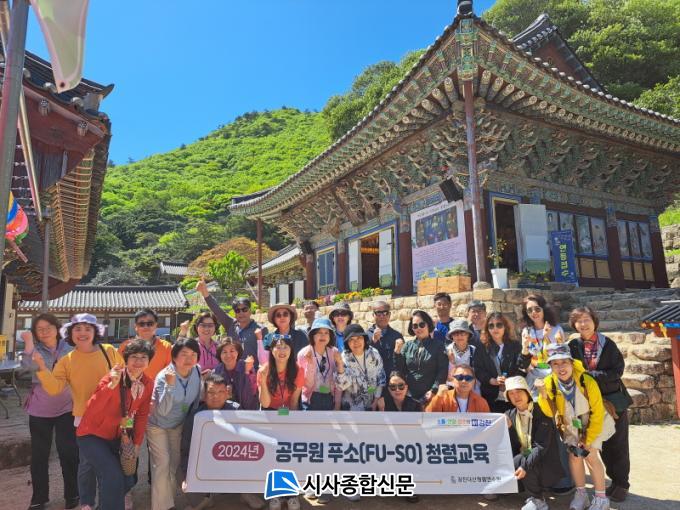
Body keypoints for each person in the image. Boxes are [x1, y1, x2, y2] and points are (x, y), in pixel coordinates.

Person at [34, 314, 123, 510]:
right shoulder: (67, 360)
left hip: (111, 416)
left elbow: (124, 376)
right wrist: (41, 367)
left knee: (109, 461)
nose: (82, 333)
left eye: (87, 329)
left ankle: (107, 502)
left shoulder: (109, 351)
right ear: (70, 333)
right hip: (84, 419)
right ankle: (87, 503)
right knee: (87, 464)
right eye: (77, 329)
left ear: (95, 332)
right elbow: (55, 388)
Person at [76, 339, 155, 510]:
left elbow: (142, 415)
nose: (139, 361)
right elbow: (92, 409)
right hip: (92, 435)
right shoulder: (113, 377)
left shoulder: (147, 383)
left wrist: (137, 444)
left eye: (143, 357)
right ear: (126, 359)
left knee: (127, 479)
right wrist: (111, 385)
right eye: (134, 357)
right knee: (112, 475)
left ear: (149, 360)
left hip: (119, 436)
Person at [536, 344, 615, 510]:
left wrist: (588, 438)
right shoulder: (549, 383)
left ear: (572, 363)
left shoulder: (587, 381)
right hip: (570, 423)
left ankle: (601, 499)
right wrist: (543, 394)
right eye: (555, 364)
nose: (561, 368)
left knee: (590, 455)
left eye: (564, 362)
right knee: (574, 457)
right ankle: (581, 495)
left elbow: (597, 412)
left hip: (593, 421)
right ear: (550, 366)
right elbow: (550, 412)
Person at [568, 307, 631, 503]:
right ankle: (608, 483)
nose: (583, 324)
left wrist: (591, 376)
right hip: (587, 403)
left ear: (594, 321)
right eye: (579, 321)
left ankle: (621, 483)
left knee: (617, 443)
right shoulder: (573, 346)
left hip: (611, 401)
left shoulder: (608, 344)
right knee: (596, 443)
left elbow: (617, 371)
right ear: (574, 325)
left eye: (586, 319)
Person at [179, 374, 264, 510]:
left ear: (227, 394)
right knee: (181, 472)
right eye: (211, 392)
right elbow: (186, 448)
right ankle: (204, 497)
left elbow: (248, 441)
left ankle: (246, 493)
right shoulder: (196, 416)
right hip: (204, 460)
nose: (216, 396)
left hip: (231, 458)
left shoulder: (236, 411)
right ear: (204, 395)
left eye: (220, 392)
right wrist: (186, 476)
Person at [21, 314, 79, 510]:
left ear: (57, 328)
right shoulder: (34, 349)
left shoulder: (70, 347)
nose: (44, 331)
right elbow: (25, 371)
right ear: (35, 333)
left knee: (68, 452)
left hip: (66, 408)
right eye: (39, 329)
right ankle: (39, 498)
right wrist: (29, 344)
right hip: (40, 409)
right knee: (39, 456)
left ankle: (72, 493)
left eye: (48, 327)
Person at [147, 338, 202, 510]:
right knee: (162, 463)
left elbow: (196, 400)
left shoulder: (197, 371)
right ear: (174, 357)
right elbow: (163, 410)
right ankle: (161, 507)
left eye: (193, 354)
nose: (189, 358)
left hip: (178, 424)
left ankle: (168, 500)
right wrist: (170, 386)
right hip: (157, 425)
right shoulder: (163, 376)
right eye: (184, 354)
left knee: (175, 463)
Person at [257, 335, 304, 510]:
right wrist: (263, 381)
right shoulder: (264, 370)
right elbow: (265, 403)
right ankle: (275, 494)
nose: (282, 351)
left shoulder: (298, 370)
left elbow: (294, 400)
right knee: (272, 455)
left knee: (288, 454)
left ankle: (291, 494)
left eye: (286, 347)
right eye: (278, 346)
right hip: (269, 414)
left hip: (288, 413)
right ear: (272, 350)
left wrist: (291, 423)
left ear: (291, 350)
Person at [504, 376, 564, 510]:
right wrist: (510, 429)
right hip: (527, 454)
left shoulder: (542, 410)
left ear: (527, 392)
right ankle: (522, 490)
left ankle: (539, 500)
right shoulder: (510, 414)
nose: (516, 396)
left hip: (545, 460)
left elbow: (541, 446)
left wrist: (524, 466)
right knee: (517, 460)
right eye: (511, 393)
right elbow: (514, 446)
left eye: (519, 391)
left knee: (523, 461)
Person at [195, 278, 268, 366]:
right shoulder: (231, 324)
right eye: (237, 310)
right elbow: (217, 310)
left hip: (252, 372)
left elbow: (267, 357)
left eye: (244, 309)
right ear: (235, 313)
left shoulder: (261, 329)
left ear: (250, 311)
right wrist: (204, 292)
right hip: (231, 372)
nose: (241, 313)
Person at [474, 313, 531, 412]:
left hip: (512, 396)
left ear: (505, 327)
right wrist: (492, 380)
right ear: (487, 329)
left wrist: (509, 381)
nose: (495, 328)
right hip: (491, 397)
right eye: (491, 326)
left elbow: (522, 366)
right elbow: (478, 369)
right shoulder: (482, 348)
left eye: (499, 325)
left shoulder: (515, 346)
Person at [395, 310, 448, 403]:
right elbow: (400, 369)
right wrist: (397, 353)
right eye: (415, 326)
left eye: (422, 324)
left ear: (428, 325)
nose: (418, 328)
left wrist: (434, 390)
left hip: (431, 396)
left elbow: (442, 370)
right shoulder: (407, 346)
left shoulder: (438, 346)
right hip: (409, 396)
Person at [521, 294, 565, 398]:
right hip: (534, 379)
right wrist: (525, 346)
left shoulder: (556, 329)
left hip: (554, 376)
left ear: (544, 309)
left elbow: (562, 355)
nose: (534, 312)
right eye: (529, 310)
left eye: (537, 309)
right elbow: (525, 360)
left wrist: (546, 337)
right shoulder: (527, 331)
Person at [336, 324, 386, 411]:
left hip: (372, 406)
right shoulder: (344, 358)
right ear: (347, 343)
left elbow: (380, 379)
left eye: (359, 338)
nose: (356, 342)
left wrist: (375, 401)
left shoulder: (374, 354)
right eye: (351, 339)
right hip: (351, 410)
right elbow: (342, 386)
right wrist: (340, 365)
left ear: (364, 339)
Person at [297, 317, 342, 411]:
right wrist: (310, 364)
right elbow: (305, 384)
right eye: (319, 332)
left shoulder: (334, 352)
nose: (323, 336)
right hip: (310, 399)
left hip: (329, 398)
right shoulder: (303, 354)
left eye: (326, 333)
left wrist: (337, 403)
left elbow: (339, 380)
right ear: (312, 335)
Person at [118, 309, 172, 381]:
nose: (146, 327)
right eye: (141, 324)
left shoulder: (166, 347)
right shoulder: (125, 346)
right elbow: (119, 371)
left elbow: (170, 373)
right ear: (135, 327)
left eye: (150, 323)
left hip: (157, 387)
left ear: (156, 325)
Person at [212, 337, 259, 410]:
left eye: (232, 351)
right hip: (227, 412)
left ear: (237, 352)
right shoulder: (217, 371)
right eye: (224, 352)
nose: (228, 355)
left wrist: (246, 372)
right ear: (220, 355)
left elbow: (250, 395)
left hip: (248, 411)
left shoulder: (247, 366)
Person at [366, 301, 403, 377]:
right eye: (378, 313)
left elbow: (401, 364)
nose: (382, 316)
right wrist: (373, 341)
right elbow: (363, 358)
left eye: (385, 313)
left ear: (389, 315)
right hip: (373, 379)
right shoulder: (365, 335)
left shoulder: (397, 336)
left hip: (390, 379)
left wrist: (397, 353)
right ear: (373, 315)